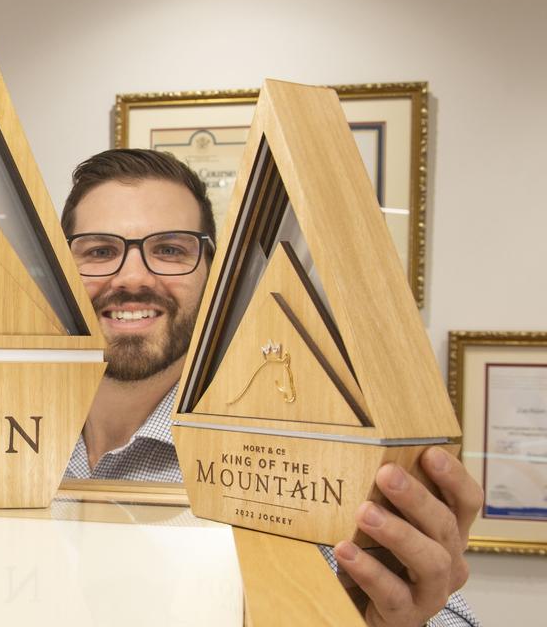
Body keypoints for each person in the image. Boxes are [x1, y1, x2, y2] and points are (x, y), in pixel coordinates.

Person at [60, 149, 481, 627]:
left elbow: (443, 615)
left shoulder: (292, 463)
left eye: (170, 250)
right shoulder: (4, 438)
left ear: (214, 276)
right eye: (99, 251)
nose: (133, 277)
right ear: (60, 269)